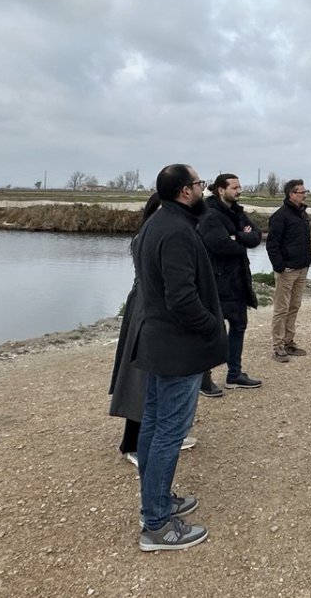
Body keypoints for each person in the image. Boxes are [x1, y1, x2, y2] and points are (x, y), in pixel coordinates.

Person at [130, 164, 227, 552]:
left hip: (160, 343)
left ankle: (156, 502)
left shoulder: (157, 222)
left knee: (154, 428)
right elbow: (182, 297)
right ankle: (156, 525)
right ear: (185, 191)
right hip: (177, 349)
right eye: (200, 184)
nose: (204, 189)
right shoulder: (175, 231)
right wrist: (211, 327)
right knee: (169, 432)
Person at [108, 193, 199, 465]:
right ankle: (132, 444)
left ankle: (168, 432)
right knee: (140, 377)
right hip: (147, 311)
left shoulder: (167, 233)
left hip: (160, 309)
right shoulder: (147, 238)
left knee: (165, 377)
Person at [200, 173, 263, 390]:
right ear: (220, 190)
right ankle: (204, 378)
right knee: (213, 331)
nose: (239, 190)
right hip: (216, 283)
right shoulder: (209, 214)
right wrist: (238, 239)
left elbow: (256, 236)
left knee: (239, 326)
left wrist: (237, 236)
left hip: (237, 282)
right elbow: (221, 245)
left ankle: (234, 374)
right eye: (234, 187)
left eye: (239, 187)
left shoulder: (237, 212)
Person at [266, 179, 311, 363]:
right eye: (302, 192)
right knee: (281, 308)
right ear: (291, 194)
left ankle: (288, 341)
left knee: (294, 306)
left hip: (302, 267)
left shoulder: (302, 213)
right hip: (288, 269)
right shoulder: (280, 216)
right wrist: (280, 266)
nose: (305, 194)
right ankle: (277, 346)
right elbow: (272, 245)